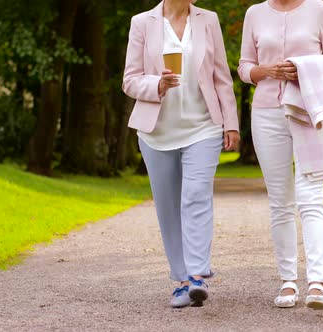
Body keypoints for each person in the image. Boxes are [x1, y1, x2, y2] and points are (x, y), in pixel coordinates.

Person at [122, 0, 240, 308]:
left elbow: (221, 77)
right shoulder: (143, 22)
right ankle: (183, 280)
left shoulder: (208, 20)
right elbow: (130, 79)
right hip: (156, 132)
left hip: (203, 127)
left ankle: (197, 274)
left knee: (196, 194)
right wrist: (157, 84)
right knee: (168, 206)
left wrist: (231, 123)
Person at [238, 0, 323, 309]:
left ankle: (317, 282)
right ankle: (287, 282)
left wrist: (304, 69)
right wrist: (263, 70)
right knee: (280, 201)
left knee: (311, 195)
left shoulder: (320, 9)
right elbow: (244, 66)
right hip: (267, 113)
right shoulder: (255, 14)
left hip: (310, 109)